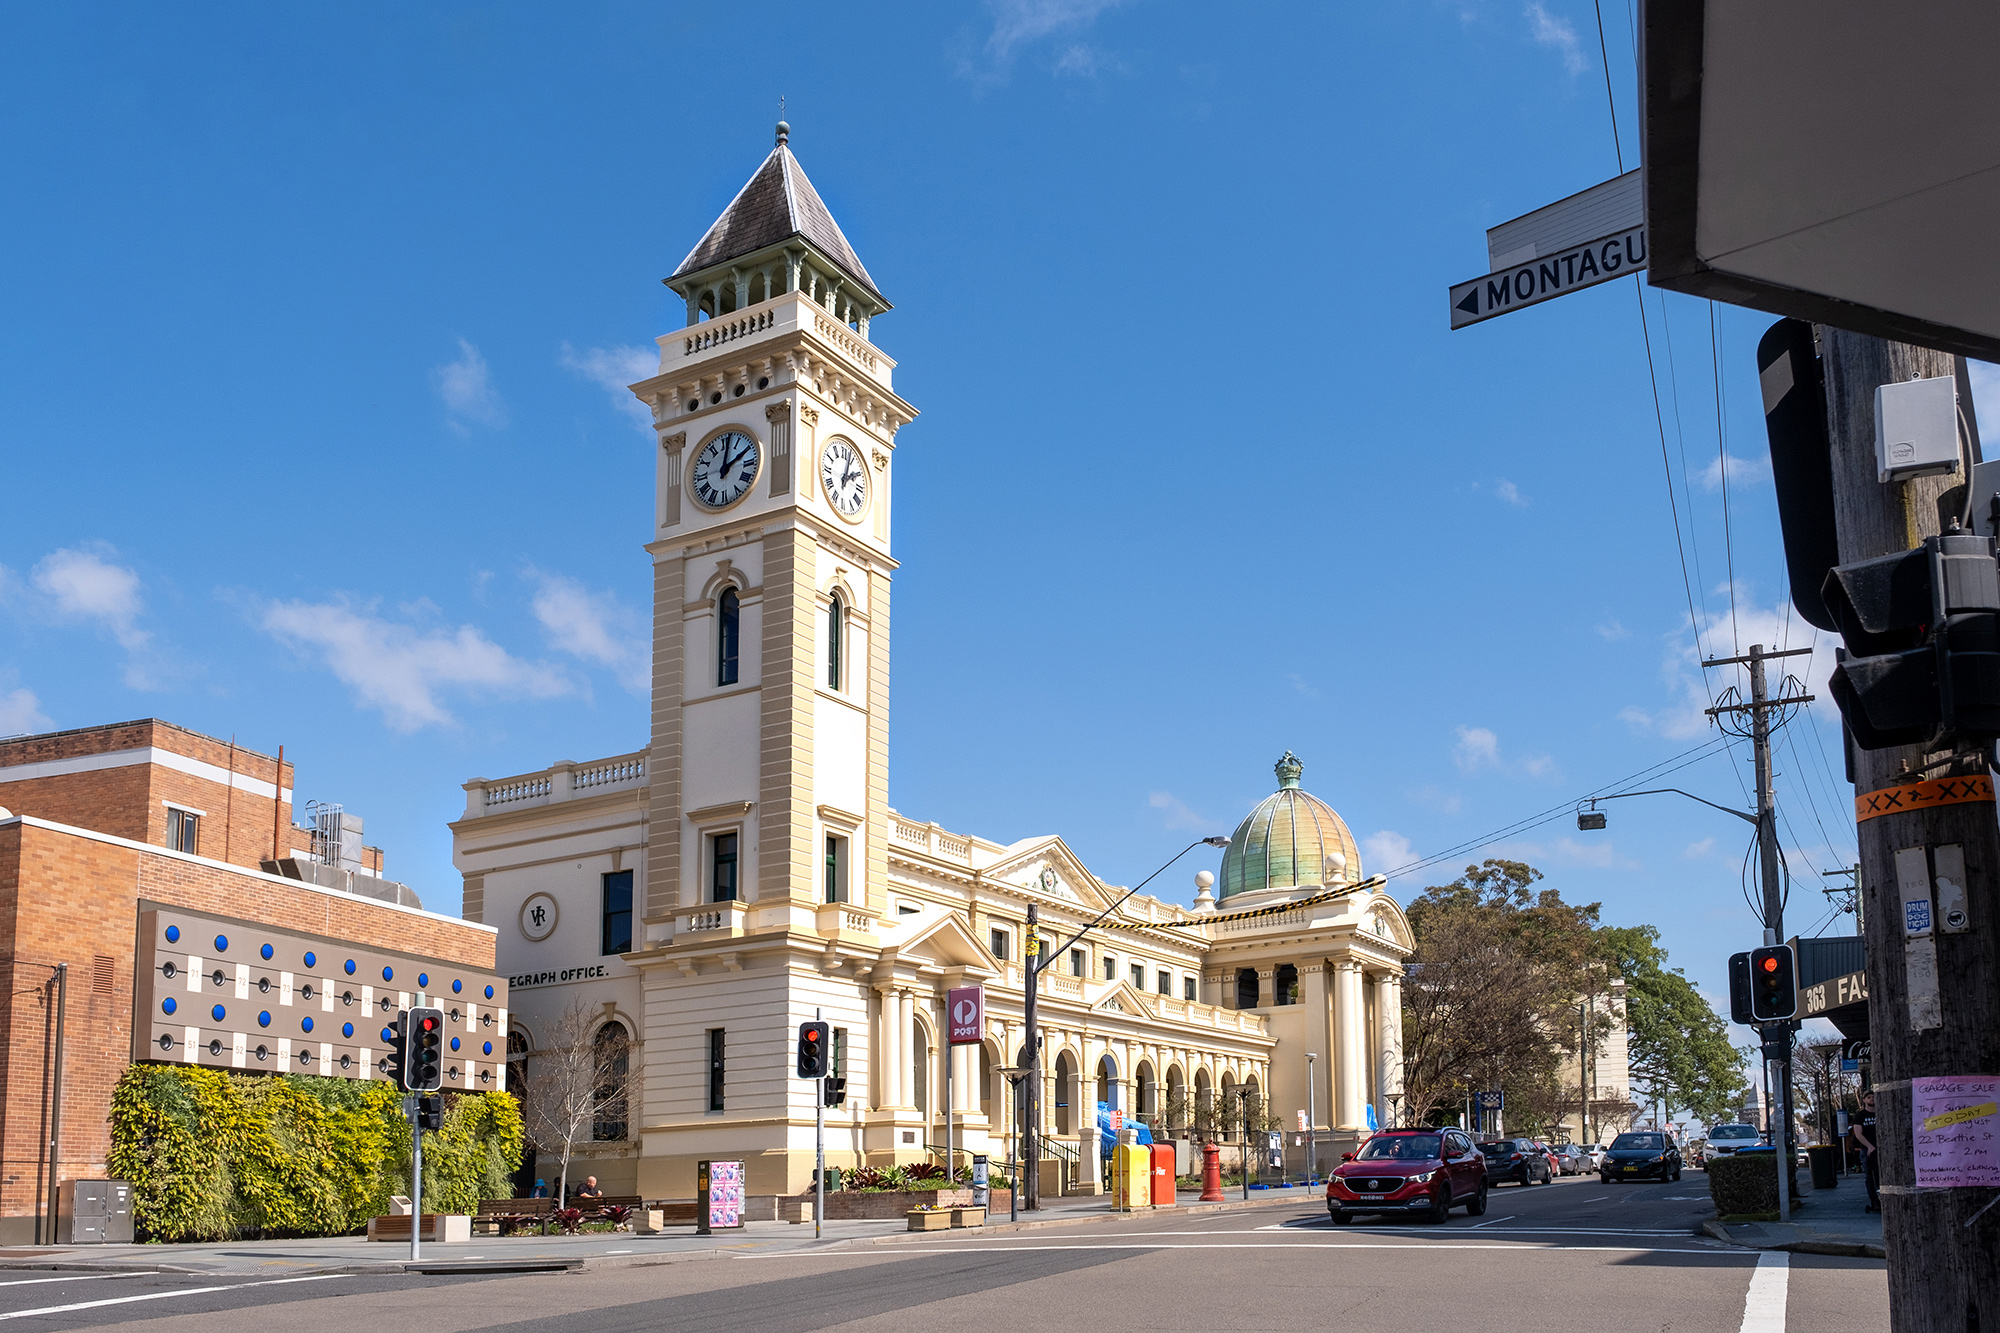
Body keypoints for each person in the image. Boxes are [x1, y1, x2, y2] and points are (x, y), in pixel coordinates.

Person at [1849, 1090, 1878, 1212]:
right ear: (1865, 1100)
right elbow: (1858, 1134)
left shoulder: (1881, 1112)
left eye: (1873, 1097)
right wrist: (1869, 1146)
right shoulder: (1860, 1116)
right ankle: (1874, 1200)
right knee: (1869, 1176)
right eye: (1869, 1097)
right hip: (1867, 1150)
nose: (1872, 1099)